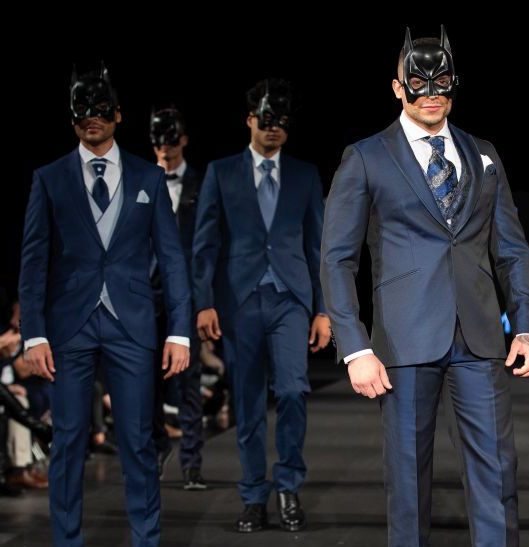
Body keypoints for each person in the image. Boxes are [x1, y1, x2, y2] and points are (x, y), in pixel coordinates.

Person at [320, 27, 529, 547]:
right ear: (397, 87)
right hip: (403, 342)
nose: (430, 93)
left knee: (497, 474)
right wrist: (355, 348)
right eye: (417, 83)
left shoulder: (483, 153)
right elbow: (337, 259)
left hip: (480, 340)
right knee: (407, 483)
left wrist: (527, 328)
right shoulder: (366, 157)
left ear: (454, 83)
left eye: (441, 81)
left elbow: (511, 249)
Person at [18, 64, 191, 547]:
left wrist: (179, 331)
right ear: (71, 117)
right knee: (68, 441)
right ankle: (67, 541)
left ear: (118, 114)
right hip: (68, 328)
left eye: (100, 108)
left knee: (138, 440)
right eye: (81, 110)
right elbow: (33, 262)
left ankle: (146, 540)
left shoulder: (149, 176)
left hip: (131, 325)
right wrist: (34, 334)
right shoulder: (49, 179)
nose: (90, 117)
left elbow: (172, 260)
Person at [193, 78, 330, 533]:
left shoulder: (305, 175)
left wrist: (324, 310)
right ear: (250, 119)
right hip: (240, 300)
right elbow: (205, 244)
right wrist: (204, 302)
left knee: (292, 390)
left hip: (290, 299)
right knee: (248, 402)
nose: (275, 128)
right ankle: (254, 494)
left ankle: (288, 486)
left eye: (283, 122)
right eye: (267, 120)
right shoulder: (221, 172)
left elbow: (318, 247)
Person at [148, 107, 207, 491]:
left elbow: (209, 244)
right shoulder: (138, 181)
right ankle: (158, 446)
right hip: (145, 293)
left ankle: (191, 462)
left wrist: (207, 301)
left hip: (186, 295)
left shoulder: (202, 185)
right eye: (157, 140)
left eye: (170, 139)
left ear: (183, 140)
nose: (164, 147)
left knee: (188, 379)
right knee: (147, 379)